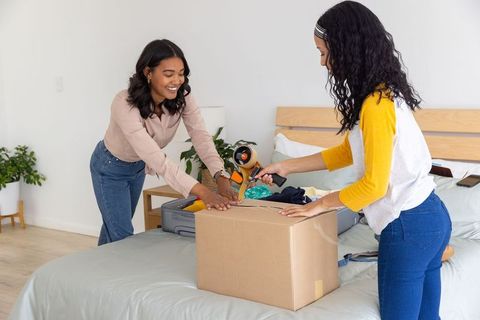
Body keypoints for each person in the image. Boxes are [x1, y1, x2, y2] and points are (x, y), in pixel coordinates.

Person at [257, 2, 451, 319]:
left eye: (324, 52)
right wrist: (286, 166)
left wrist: (319, 205)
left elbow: (373, 187)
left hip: (408, 226)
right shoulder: (384, 94)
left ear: (347, 49)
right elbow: (348, 152)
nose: (322, 62)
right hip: (432, 217)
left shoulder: (375, 105)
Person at [90, 39, 237, 246]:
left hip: (137, 167)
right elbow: (157, 159)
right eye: (168, 74)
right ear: (148, 73)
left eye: (181, 73)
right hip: (110, 167)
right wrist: (204, 192)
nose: (176, 80)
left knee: (114, 228)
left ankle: (97, 270)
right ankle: (114, 273)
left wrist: (220, 175)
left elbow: (201, 136)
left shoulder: (183, 96)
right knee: (121, 236)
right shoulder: (124, 103)